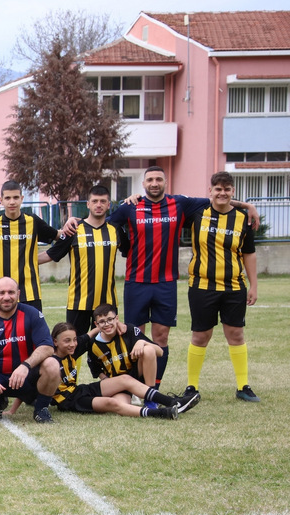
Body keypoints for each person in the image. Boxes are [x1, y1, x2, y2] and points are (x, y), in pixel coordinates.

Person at [94, 165, 259, 387]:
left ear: (165, 182)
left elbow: (218, 200)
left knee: (161, 337)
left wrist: (248, 205)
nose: (154, 183)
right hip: (136, 282)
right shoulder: (131, 206)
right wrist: (124, 244)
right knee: (134, 337)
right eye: (150, 180)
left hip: (166, 283)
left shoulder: (179, 203)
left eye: (158, 179)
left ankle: (154, 387)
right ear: (143, 184)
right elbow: (108, 223)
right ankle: (135, 386)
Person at [184, 172, 260, 402]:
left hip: (234, 286)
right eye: (218, 189)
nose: (222, 193)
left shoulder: (242, 219)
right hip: (201, 285)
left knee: (236, 334)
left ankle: (243, 386)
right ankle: (192, 387)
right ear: (210, 191)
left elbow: (249, 253)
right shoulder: (197, 213)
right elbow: (167, 202)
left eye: (227, 189)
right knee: (200, 336)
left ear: (232, 191)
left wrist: (254, 285)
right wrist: (248, 204)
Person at [0, 278, 60, 423]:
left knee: (52, 365)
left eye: (11, 292)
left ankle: (41, 408)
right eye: (1, 293)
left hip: (27, 376)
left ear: (18, 294)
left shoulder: (32, 314)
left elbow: (47, 347)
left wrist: (25, 365)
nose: (6, 297)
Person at [50, 322, 189, 419]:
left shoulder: (73, 348)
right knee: (114, 404)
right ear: (55, 342)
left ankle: (173, 402)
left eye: (74, 340)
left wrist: (115, 324)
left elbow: (90, 334)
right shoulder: (50, 362)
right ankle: (161, 413)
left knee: (125, 379)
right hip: (69, 401)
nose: (73, 344)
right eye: (67, 341)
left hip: (79, 390)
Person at [39, 185, 128, 335]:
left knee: (104, 345)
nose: (98, 205)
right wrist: (22, 260)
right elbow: (51, 254)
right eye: (94, 201)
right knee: (75, 344)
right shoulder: (74, 230)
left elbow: (131, 252)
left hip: (107, 302)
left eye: (102, 201)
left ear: (108, 205)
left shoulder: (115, 230)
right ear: (88, 204)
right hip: (78, 302)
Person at [0, 180, 58, 311]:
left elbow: (58, 236)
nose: (12, 202)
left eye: (15, 197)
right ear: (1, 200)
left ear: (22, 198)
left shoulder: (33, 221)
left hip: (30, 294)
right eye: (7, 198)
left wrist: (50, 255)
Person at [83, 303, 162, 387]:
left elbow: (160, 352)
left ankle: (150, 392)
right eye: (102, 322)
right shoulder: (93, 343)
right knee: (121, 396)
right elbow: (95, 368)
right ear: (96, 324)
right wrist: (106, 380)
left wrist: (142, 342)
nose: (107, 324)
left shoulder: (128, 330)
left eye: (110, 319)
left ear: (117, 318)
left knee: (148, 350)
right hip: (116, 383)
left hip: (135, 375)